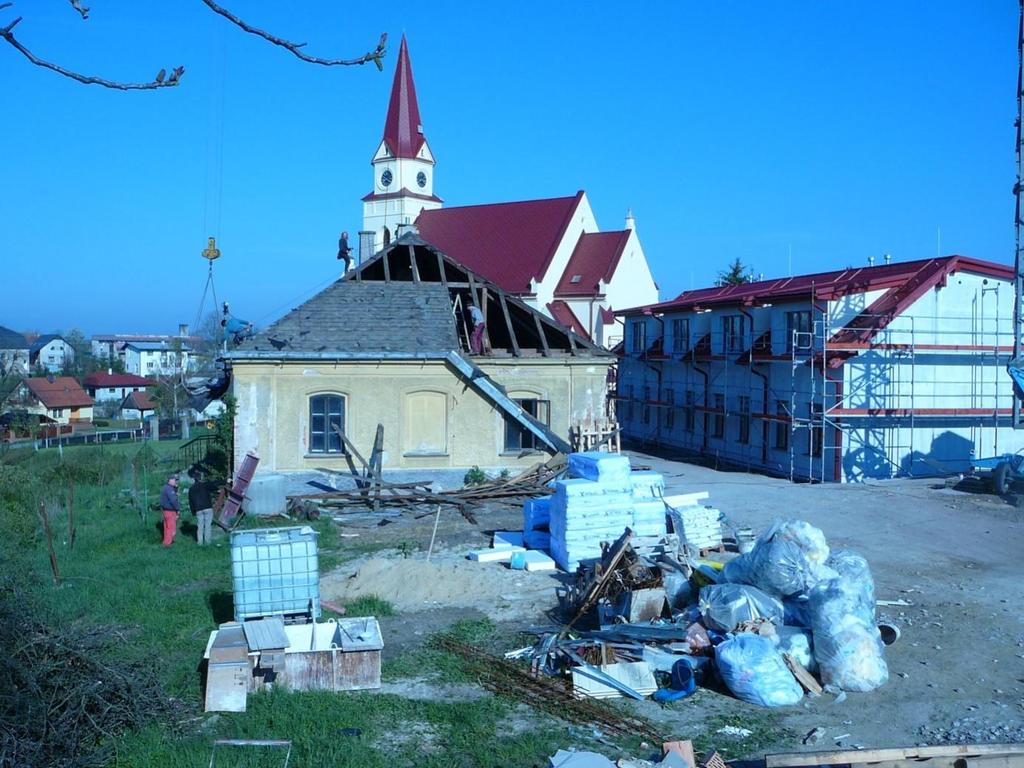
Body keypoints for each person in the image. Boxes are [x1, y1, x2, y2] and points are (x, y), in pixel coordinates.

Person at [188, 470, 216, 546]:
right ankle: (207, 542)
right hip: (207, 507)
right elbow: (214, 486)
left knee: (200, 526)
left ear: (194, 479)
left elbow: (191, 502)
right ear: (201, 478)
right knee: (207, 526)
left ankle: (199, 542)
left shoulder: (191, 489)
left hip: (198, 509)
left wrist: (193, 512)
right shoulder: (205, 485)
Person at [159, 475, 180, 547]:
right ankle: (167, 544)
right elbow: (173, 500)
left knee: (167, 528)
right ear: (169, 480)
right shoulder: (169, 489)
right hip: (170, 511)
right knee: (171, 528)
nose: (175, 481)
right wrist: (178, 509)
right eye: (174, 480)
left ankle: (166, 541)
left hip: (165, 510)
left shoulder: (165, 488)